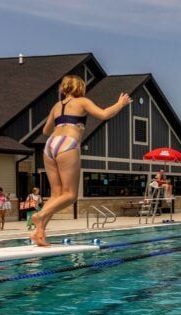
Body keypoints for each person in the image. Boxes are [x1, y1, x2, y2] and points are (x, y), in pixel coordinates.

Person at [32, 75, 132, 246]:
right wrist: (120, 104)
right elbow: (104, 114)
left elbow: (46, 131)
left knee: (56, 195)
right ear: (80, 88)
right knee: (70, 195)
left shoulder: (56, 106)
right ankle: (39, 216)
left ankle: (39, 232)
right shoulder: (82, 102)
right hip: (67, 144)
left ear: (63, 88)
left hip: (50, 145)